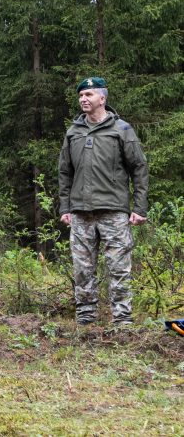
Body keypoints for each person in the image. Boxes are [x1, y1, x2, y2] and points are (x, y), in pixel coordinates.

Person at [58, 76, 148, 327]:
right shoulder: (73, 131)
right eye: (81, 96)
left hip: (114, 211)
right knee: (82, 269)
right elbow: (65, 172)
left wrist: (139, 208)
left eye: (89, 95)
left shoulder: (122, 130)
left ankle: (122, 320)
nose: (83, 99)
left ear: (103, 99)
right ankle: (85, 319)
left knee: (119, 268)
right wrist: (65, 207)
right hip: (81, 212)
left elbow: (139, 168)